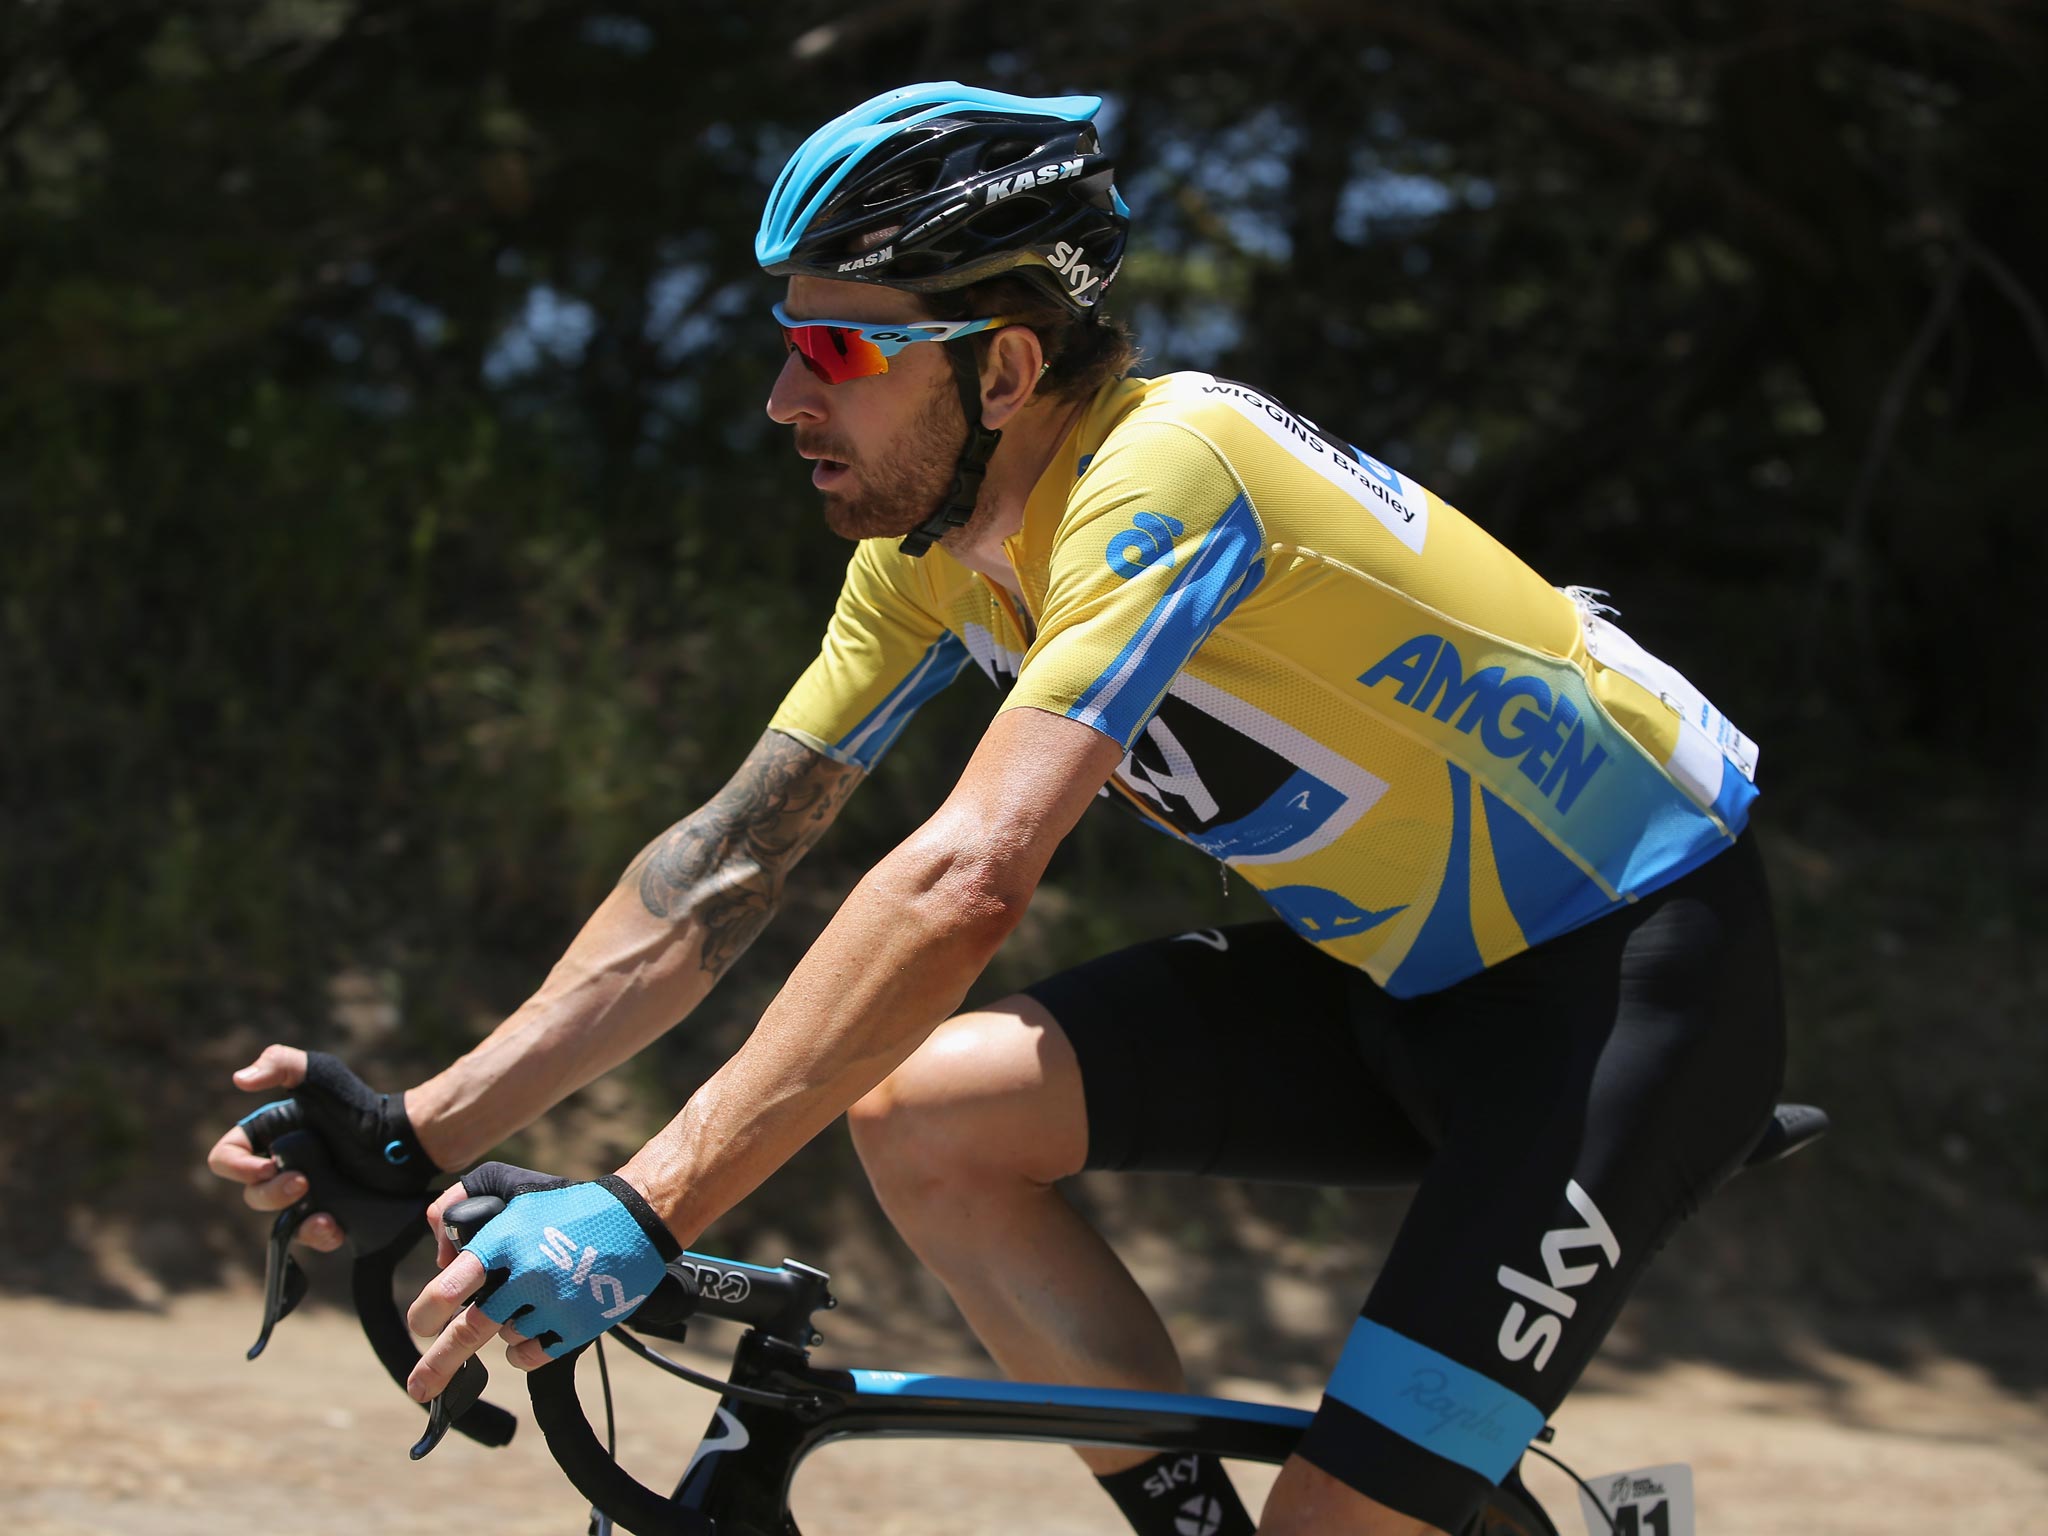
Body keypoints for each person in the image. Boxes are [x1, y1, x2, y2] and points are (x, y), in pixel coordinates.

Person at [208, 82, 1785, 1536]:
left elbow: (966, 879)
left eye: (834, 352)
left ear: (1007, 366)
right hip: (1388, 984)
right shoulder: (926, 556)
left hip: (1625, 997)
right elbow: (727, 866)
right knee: (928, 1117)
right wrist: (426, 1132)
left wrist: (643, 1203)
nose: (779, 398)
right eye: (786, 341)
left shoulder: (1173, 470)